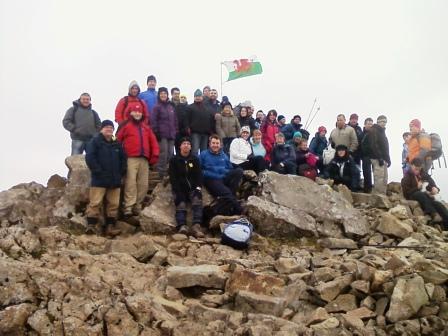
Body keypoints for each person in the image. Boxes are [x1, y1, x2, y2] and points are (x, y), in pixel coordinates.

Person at [116, 103, 160, 217]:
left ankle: (138, 206)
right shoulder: (125, 126)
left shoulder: (146, 127)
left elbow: (153, 142)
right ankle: (128, 207)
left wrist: (154, 156)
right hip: (130, 158)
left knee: (143, 184)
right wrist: (118, 156)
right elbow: (117, 141)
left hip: (144, 159)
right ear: (130, 112)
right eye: (135, 111)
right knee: (130, 183)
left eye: (139, 112)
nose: (137, 113)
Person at [85, 120, 127, 235]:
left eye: (111, 127)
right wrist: (97, 171)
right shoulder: (95, 141)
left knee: (113, 205)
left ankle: (110, 227)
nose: (109, 129)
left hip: (115, 179)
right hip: (99, 179)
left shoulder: (117, 143)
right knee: (95, 203)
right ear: (101, 129)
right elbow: (90, 158)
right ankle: (91, 225)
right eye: (106, 127)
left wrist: (121, 172)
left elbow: (123, 159)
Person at [168, 137, 204, 237]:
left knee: (197, 200)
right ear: (180, 146)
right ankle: (182, 225)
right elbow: (173, 178)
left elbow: (199, 175)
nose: (186, 145)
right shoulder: (174, 160)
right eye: (184, 143)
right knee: (181, 203)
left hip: (193, 188)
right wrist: (177, 191)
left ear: (191, 146)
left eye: (188, 143)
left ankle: (196, 225)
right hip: (180, 188)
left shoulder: (195, 159)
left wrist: (198, 188)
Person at [200, 135, 243, 215]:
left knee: (239, 171)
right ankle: (239, 209)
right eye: (213, 143)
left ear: (220, 145)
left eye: (217, 143)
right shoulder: (203, 154)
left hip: (223, 178)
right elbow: (199, 170)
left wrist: (225, 172)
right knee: (227, 193)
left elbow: (230, 168)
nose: (215, 145)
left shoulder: (223, 155)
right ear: (209, 144)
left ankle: (231, 197)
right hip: (212, 179)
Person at [401, 158, 448, 229]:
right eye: (416, 169)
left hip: (426, 196)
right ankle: (433, 214)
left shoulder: (423, 174)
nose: (417, 171)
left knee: (439, 205)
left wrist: (435, 188)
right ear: (411, 166)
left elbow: (432, 183)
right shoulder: (407, 176)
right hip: (413, 195)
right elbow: (406, 193)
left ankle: (446, 225)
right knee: (420, 194)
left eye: (419, 169)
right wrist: (417, 188)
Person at [151, 87, 178, 177]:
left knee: (170, 154)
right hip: (162, 135)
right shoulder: (156, 107)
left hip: (171, 135)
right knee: (163, 154)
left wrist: (176, 131)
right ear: (159, 95)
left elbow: (175, 120)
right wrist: (156, 132)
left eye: (165, 94)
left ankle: (168, 172)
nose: (163, 95)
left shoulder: (171, 107)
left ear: (167, 95)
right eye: (161, 94)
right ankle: (161, 173)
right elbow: (153, 120)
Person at [366, 115, 390, 194]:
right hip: (376, 159)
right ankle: (378, 197)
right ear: (378, 122)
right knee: (379, 178)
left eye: (385, 122)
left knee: (384, 178)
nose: (383, 123)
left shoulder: (382, 132)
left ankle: (383, 195)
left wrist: (388, 159)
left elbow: (385, 147)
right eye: (381, 121)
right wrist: (379, 158)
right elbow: (373, 145)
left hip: (384, 159)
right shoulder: (374, 130)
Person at [186, 89, 215, 155]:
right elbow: (187, 119)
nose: (198, 97)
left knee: (204, 151)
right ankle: (194, 164)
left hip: (205, 133)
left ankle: (202, 165)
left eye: (199, 96)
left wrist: (210, 131)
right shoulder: (190, 107)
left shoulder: (207, 108)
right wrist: (187, 128)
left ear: (202, 97)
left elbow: (210, 119)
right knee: (195, 150)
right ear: (194, 97)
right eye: (196, 96)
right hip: (195, 133)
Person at [360, 118, 374, 193]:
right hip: (365, 156)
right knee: (366, 172)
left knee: (375, 173)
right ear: (365, 124)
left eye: (371, 124)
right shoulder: (361, 134)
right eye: (368, 124)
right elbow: (359, 145)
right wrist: (361, 155)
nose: (370, 125)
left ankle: (373, 188)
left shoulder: (375, 134)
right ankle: (367, 188)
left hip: (374, 156)